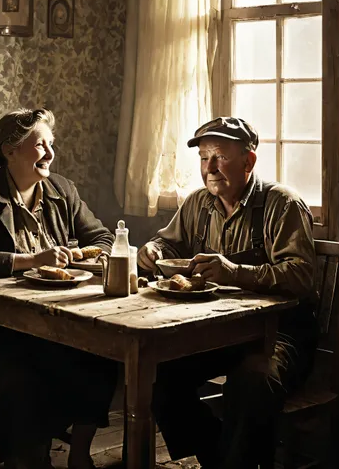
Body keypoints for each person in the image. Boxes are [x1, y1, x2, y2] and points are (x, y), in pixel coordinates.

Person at [0, 108, 117, 469]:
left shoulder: (62, 189)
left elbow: (102, 236)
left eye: (51, 144)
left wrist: (88, 254)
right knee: (19, 380)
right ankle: (28, 460)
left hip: (50, 325)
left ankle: (80, 453)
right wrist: (32, 260)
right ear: (10, 151)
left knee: (101, 357)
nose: (50, 154)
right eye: (40, 145)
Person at [137, 116, 318, 469]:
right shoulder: (198, 203)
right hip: (219, 332)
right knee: (158, 377)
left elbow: (301, 276)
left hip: (280, 332)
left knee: (251, 383)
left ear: (248, 161)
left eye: (219, 156)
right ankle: (217, 459)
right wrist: (154, 250)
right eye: (204, 158)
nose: (210, 168)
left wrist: (235, 272)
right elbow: (167, 242)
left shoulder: (281, 204)